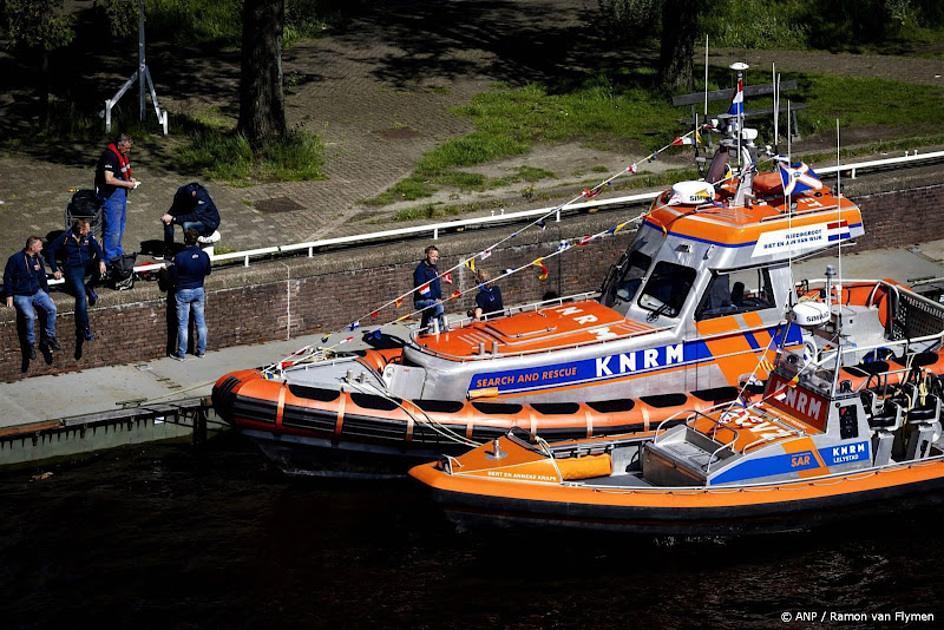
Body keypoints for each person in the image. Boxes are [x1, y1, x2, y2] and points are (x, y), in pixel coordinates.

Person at [47, 218, 107, 342]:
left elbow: (98, 250)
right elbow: (50, 251)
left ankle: (89, 286)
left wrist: (101, 261)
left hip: (86, 264)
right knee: (80, 296)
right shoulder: (65, 237)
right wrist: (54, 268)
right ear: (80, 230)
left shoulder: (88, 237)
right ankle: (84, 328)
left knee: (107, 268)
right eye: (87, 229)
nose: (89, 231)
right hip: (73, 268)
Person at [3, 236, 59, 357]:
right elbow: (7, 278)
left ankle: (50, 337)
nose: (41, 248)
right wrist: (9, 295)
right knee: (29, 316)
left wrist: (47, 294)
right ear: (32, 247)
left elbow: (42, 278)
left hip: (37, 292)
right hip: (21, 294)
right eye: (39, 246)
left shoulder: (38, 259)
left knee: (52, 309)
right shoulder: (15, 259)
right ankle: (30, 344)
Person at [94, 133, 138, 264]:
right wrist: (127, 184)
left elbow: (121, 173)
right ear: (120, 144)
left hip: (120, 196)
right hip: (111, 196)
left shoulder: (121, 155)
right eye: (127, 147)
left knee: (120, 225)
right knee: (112, 228)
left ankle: (118, 252)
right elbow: (109, 179)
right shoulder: (110, 156)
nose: (128, 150)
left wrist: (130, 179)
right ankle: (111, 258)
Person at [169, 229, 212, 360]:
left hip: (183, 291)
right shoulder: (204, 255)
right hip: (199, 289)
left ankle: (181, 353)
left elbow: (173, 276)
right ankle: (201, 351)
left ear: (185, 239)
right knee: (200, 322)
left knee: (183, 324)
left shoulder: (180, 256)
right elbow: (208, 271)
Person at [162, 182, 221, 257]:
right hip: (192, 215)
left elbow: (194, 216)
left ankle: (190, 250)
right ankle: (169, 249)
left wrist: (174, 218)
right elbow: (175, 208)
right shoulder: (181, 193)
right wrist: (168, 216)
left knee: (187, 225)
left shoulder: (202, 196)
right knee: (167, 220)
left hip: (209, 222)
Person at [413, 244, 445, 332]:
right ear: (427, 255)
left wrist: (438, 297)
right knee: (438, 307)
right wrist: (435, 299)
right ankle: (439, 329)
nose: (435, 259)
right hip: (421, 300)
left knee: (427, 317)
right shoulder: (420, 270)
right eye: (433, 256)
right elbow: (422, 289)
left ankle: (422, 333)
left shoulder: (433, 268)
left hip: (434, 299)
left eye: (437, 256)